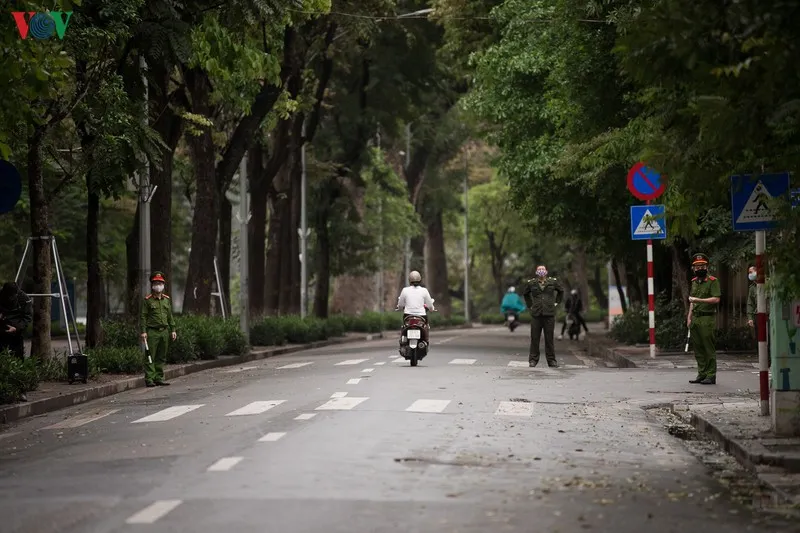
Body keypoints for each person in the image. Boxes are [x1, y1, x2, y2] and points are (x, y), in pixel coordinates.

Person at [686, 253, 721, 385]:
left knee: (708, 348)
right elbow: (692, 302)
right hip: (695, 318)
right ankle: (702, 373)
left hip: (707, 319)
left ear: (707, 266)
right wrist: (689, 317)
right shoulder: (694, 282)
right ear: (693, 269)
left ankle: (711, 375)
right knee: (698, 349)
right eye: (697, 266)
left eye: (702, 266)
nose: (700, 268)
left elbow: (716, 299)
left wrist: (699, 300)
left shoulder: (713, 281)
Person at [140, 271, 177, 387]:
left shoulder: (166, 300)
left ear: (163, 284)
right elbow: (143, 316)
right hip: (152, 332)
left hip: (164, 332)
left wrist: (173, 330)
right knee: (150, 355)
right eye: (156, 283)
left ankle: (159, 378)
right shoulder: (148, 300)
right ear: (152, 285)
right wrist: (144, 331)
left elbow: (170, 316)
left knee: (161, 356)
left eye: (160, 283)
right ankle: (150, 379)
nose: (158, 285)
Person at [523, 265, 564, 368]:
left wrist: (556, 302)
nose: (541, 271)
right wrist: (530, 305)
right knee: (535, 338)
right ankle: (533, 360)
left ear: (546, 271)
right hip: (536, 314)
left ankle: (551, 361)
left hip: (549, 314)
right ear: (536, 272)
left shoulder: (552, 282)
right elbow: (525, 294)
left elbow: (561, 291)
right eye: (539, 269)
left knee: (549, 338)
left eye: (543, 269)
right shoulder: (532, 283)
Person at [396, 271, 436, 346]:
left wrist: (399, 308)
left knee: (404, 326)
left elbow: (400, 304)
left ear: (409, 280)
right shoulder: (424, 290)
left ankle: (403, 339)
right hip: (421, 316)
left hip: (408, 315)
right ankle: (426, 340)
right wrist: (431, 309)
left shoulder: (405, 290)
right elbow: (430, 305)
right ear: (420, 280)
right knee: (426, 326)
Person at [0, 281, 33, 361]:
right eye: (8, 296)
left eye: (12, 296)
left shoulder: (24, 299)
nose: (10, 298)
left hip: (16, 331)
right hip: (2, 328)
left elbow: (27, 317)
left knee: (17, 356)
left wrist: (17, 328)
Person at [746, 264, 771, 367]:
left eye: (751, 272)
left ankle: (770, 359)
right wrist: (750, 318)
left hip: (769, 315)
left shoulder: (768, 283)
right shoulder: (752, 288)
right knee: (760, 339)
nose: (750, 275)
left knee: (770, 338)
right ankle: (764, 360)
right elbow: (750, 303)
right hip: (758, 315)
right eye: (749, 273)